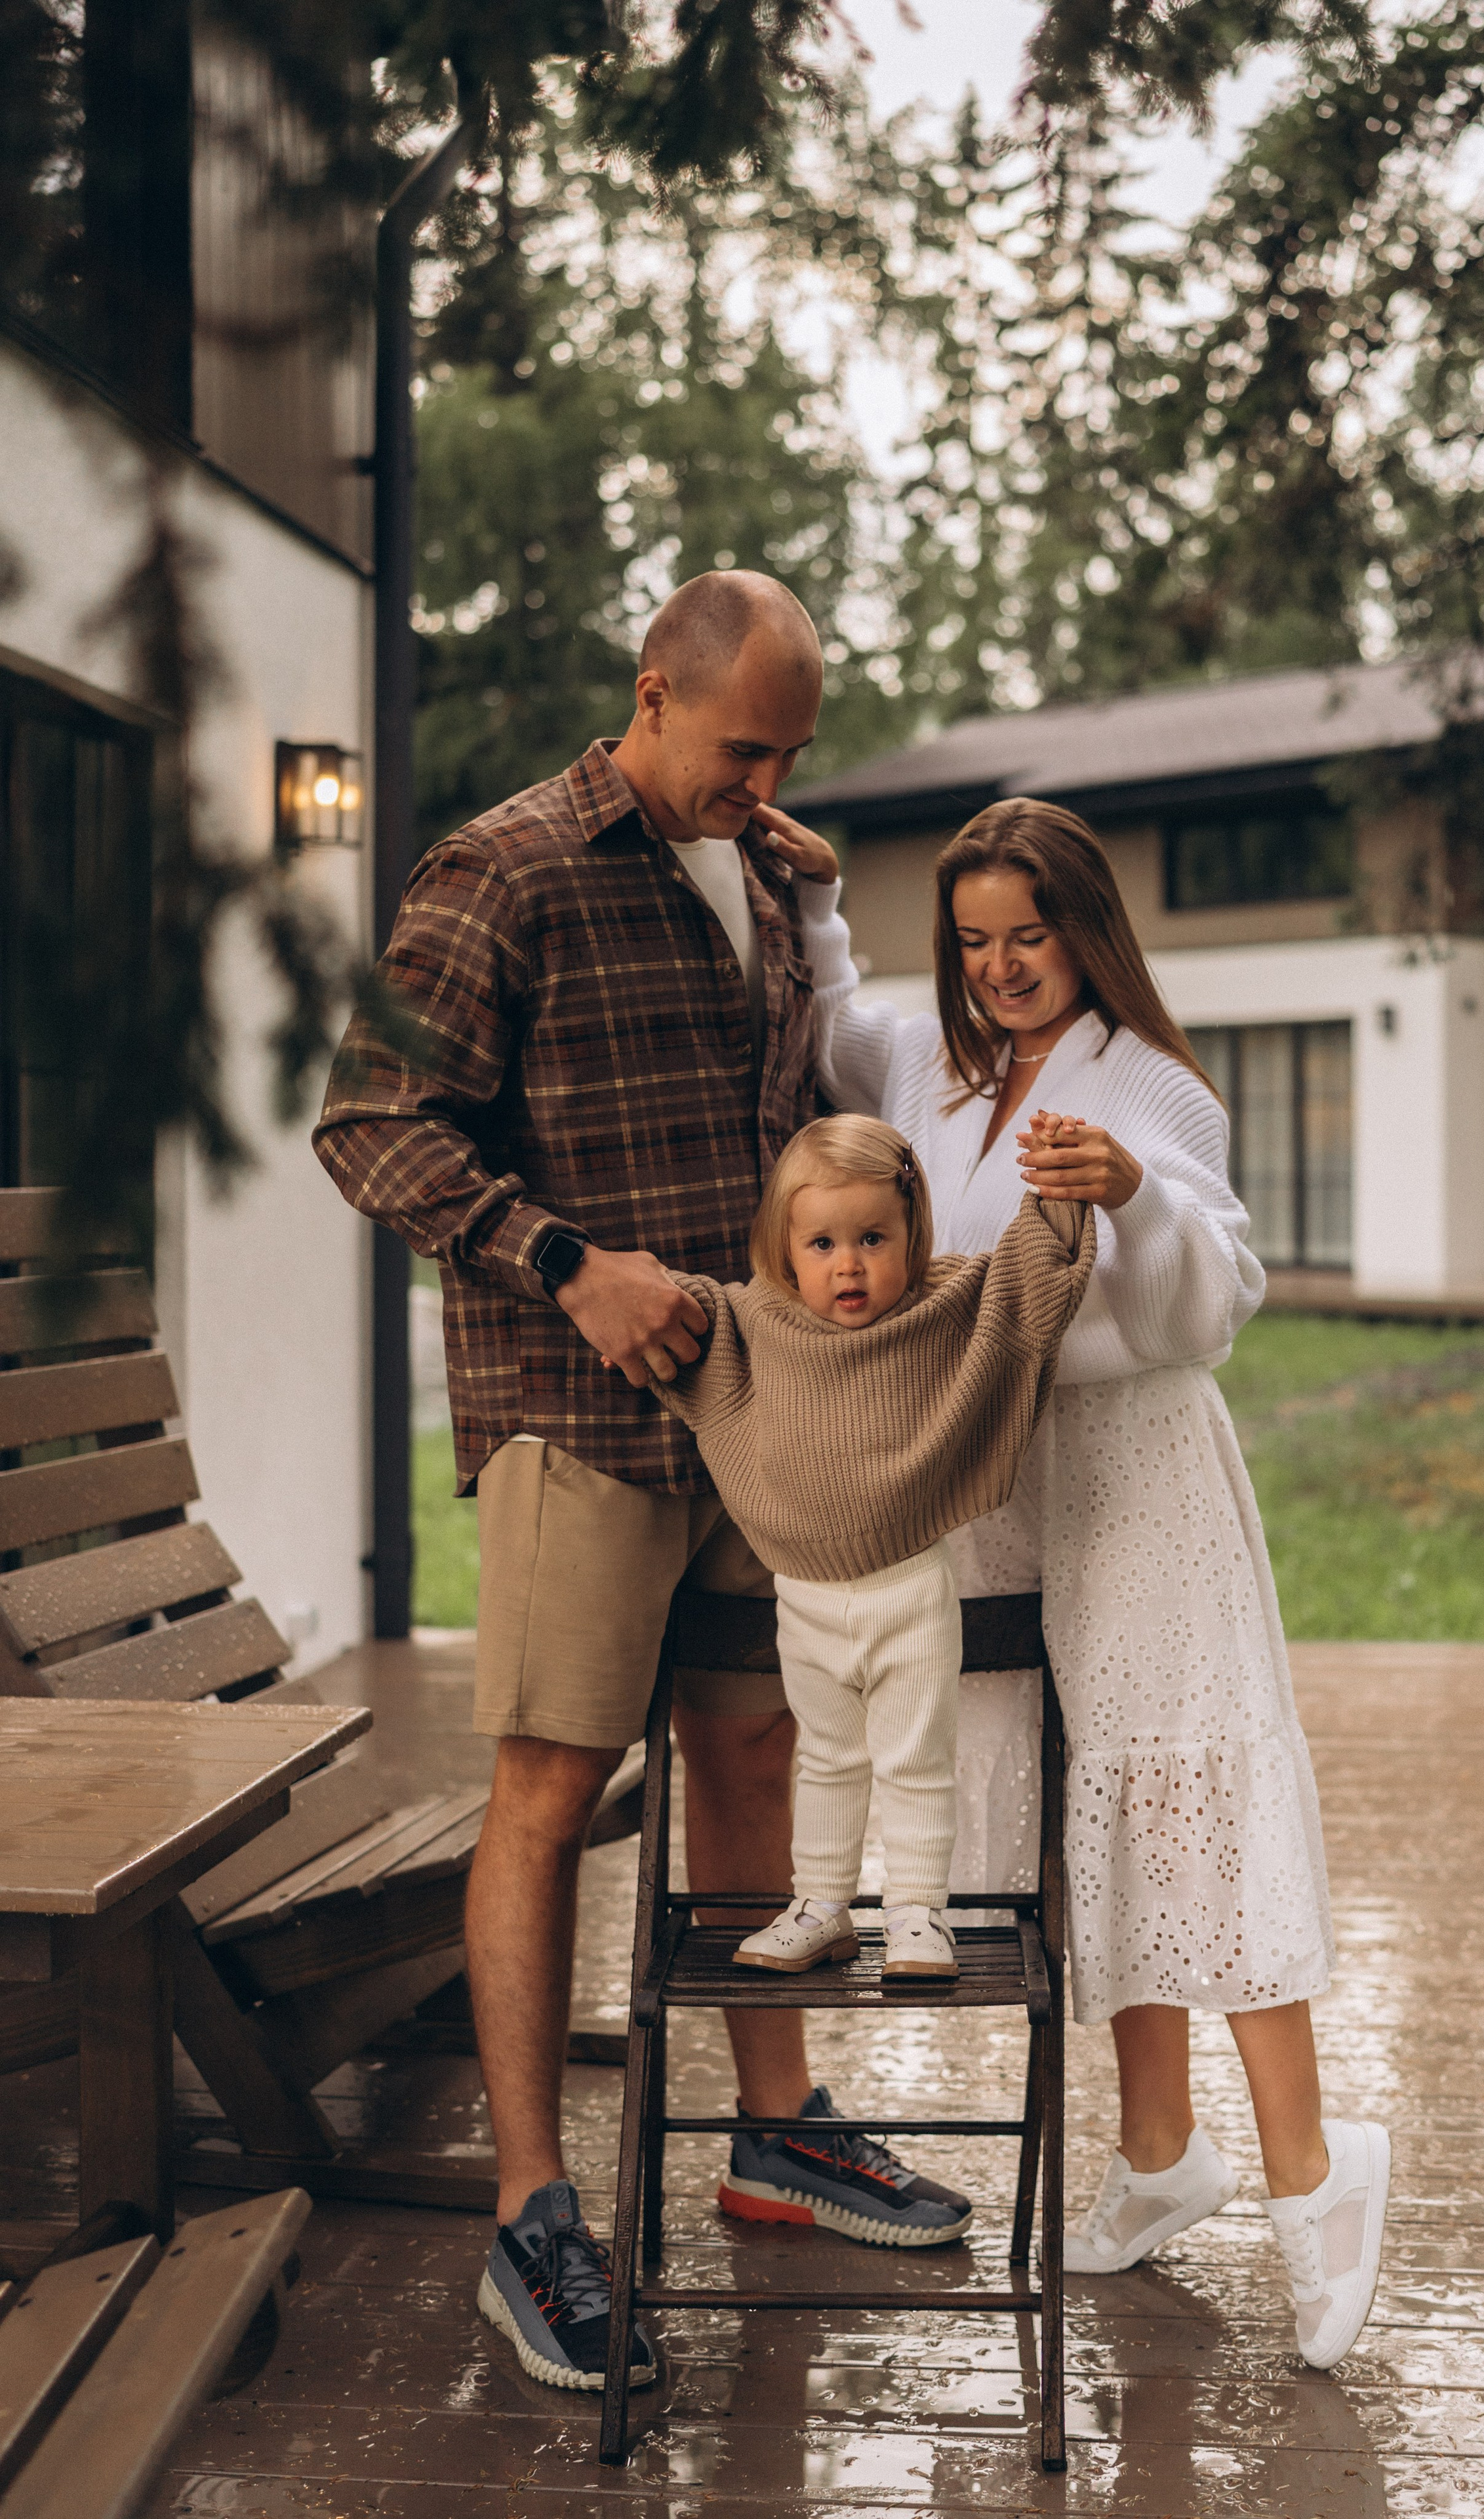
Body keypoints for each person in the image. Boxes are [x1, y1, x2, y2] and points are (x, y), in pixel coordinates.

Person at [312, 571, 971, 2398]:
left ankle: (776, 2132)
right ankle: (533, 2213)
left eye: (791, 756)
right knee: (546, 1792)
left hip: (755, 1422)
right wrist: (562, 1261)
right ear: (652, 693)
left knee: (757, 1749)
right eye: (745, 747)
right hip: (576, 1420)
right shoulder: (503, 868)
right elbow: (368, 1122)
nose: (767, 784)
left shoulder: (764, 872)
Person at [755, 790, 1392, 2374]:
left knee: (1186, 1795)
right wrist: (819, 905)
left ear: (1085, 929)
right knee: (1069, 1813)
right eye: (973, 940)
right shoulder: (929, 1066)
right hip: (995, 1478)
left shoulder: (1154, 1088)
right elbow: (836, 1026)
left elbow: (1212, 1302)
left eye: (1027, 934)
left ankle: (1312, 2176)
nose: (999, 966)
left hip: (1136, 1470)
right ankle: (1159, 2151)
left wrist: (1132, 1196)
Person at [643, 1114, 1091, 2005]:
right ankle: (822, 1905)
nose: (848, 1265)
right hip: (804, 1600)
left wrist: (1055, 1195)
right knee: (826, 1758)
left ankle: (919, 1912)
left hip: (908, 1590)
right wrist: (636, 1291)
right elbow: (682, 1316)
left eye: (873, 1239)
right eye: (822, 1243)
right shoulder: (757, 1323)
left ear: (912, 1236)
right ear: (784, 1248)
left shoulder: (939, 1310)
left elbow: (1023, 1293)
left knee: (916, 1758)